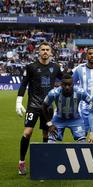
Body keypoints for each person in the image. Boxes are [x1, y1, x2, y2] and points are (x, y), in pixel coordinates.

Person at [15, 41, 62, 175]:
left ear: (51, 52)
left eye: (47, 49)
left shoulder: (56, 67)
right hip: (33, 106)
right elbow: (24, 84)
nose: (45, 52)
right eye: (43, 49)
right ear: (39, 51)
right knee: (27, 132)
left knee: (46, 134)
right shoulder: (31, 67)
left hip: (48, 107)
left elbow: (66, 79)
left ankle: (44, 161)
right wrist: (19, 101)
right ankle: (21, 163)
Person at [42, 74, 90, 143]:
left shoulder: (80, 92)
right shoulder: (54, 93)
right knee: (50, 142)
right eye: (65, 84)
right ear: (61, 84)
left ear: (73, 84)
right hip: (58, 119)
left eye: (69, 85)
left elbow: (92, 103)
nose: (67, 87)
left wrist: (92, 115)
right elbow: (44, 106)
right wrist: (50, 124)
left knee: (82, 142)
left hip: (75, 119)